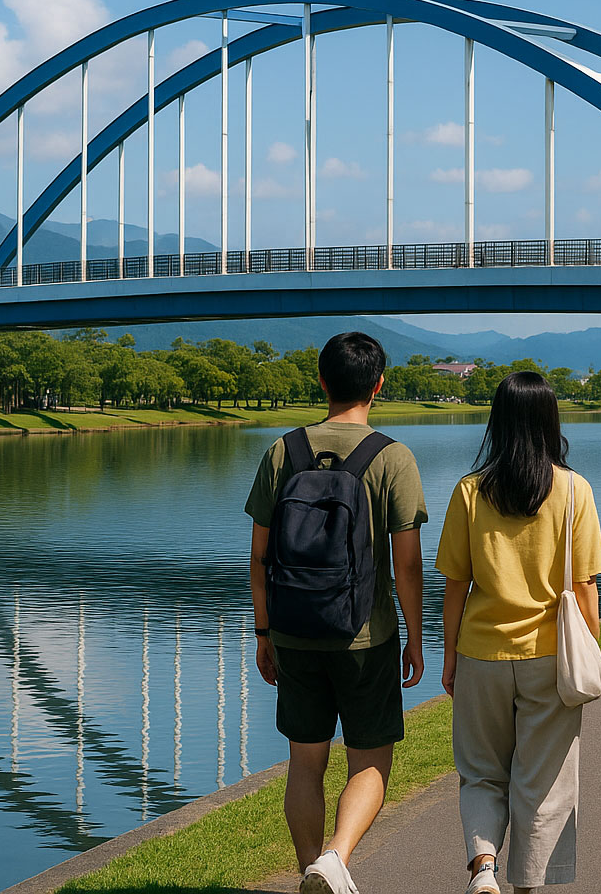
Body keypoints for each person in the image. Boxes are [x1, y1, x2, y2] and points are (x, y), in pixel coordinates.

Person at [246, 331, 428, 894]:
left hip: (295, 632)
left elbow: (258, 556)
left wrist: (263, 631)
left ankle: (311, 870)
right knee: (370, 760)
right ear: (378, 385)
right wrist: (416, 640)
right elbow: (408, 568)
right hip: (365, 637)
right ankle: (335, 857)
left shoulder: (284, 451)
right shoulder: (392, 457)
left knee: (305, 762)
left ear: (321, 381)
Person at [436, 371, 601, 894]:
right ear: (550, 422)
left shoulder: (470, 491)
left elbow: (454, 588)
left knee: (481, 771)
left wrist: (449, 657)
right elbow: (585, 587)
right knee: (543, 782)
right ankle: (526, 886)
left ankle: (482, 866)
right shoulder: (575, 490)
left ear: (498, 422)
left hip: (482, 653)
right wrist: (592, 653)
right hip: (550, 656)